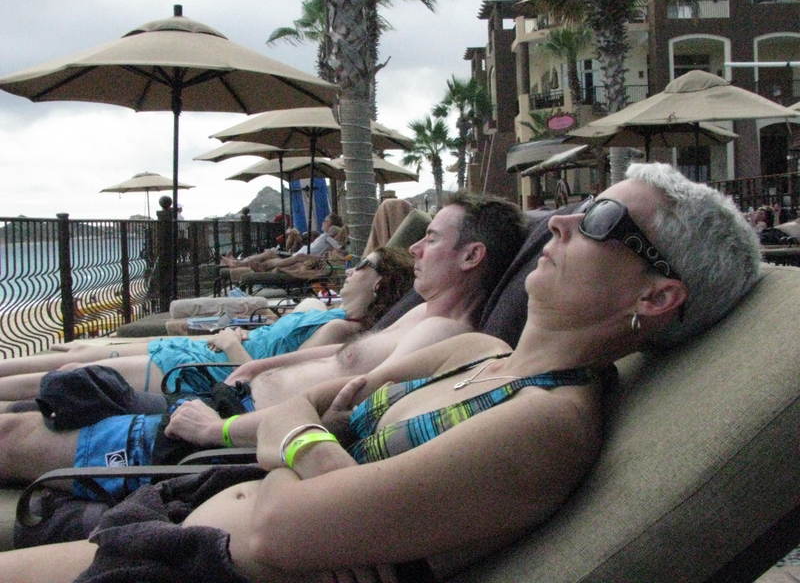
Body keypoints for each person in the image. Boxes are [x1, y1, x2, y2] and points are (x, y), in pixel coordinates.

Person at [0, 163, 762, 582]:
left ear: (655, 296)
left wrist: (300, 436)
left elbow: (278, 528)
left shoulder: (546, 424)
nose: (560, 222)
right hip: (183, 515)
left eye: (600, 220)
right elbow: (305, 417)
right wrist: (316, 454)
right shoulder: (478, 355)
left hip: (201, 568)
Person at [0, 192, 527, 493]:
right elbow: (339, 354)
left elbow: (345, 408)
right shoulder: (423, 314)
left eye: (430, 238)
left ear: (471, 256)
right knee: (56, 395)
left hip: (227, 439)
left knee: (13, 432)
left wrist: (215, 429)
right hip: (227, 401)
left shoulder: (447, 336)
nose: (414, 248)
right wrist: (262, 365)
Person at [0, 246, 415, 404]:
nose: (350, 269)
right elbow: (283, 336)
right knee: (76, 351)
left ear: (380, 282)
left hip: (203, 370)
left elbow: (272, 381)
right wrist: (252, 330)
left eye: (362, 265)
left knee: (74, 369)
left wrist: (233, 341)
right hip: (202, 352)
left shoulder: (342, 332)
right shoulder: (333, 313)